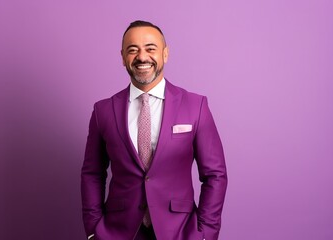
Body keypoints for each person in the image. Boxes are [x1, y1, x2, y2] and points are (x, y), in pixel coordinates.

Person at [81, 20, 227, 240]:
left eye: (150, 48)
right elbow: (92, 174)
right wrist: (93, 230)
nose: (142, 57)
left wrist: (206, 232)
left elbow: (215, 175)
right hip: (118, 232)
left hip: (180, 232)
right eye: (133, 50)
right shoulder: (103, 111)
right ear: (122, 57)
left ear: (165, 54)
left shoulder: (195, 106)